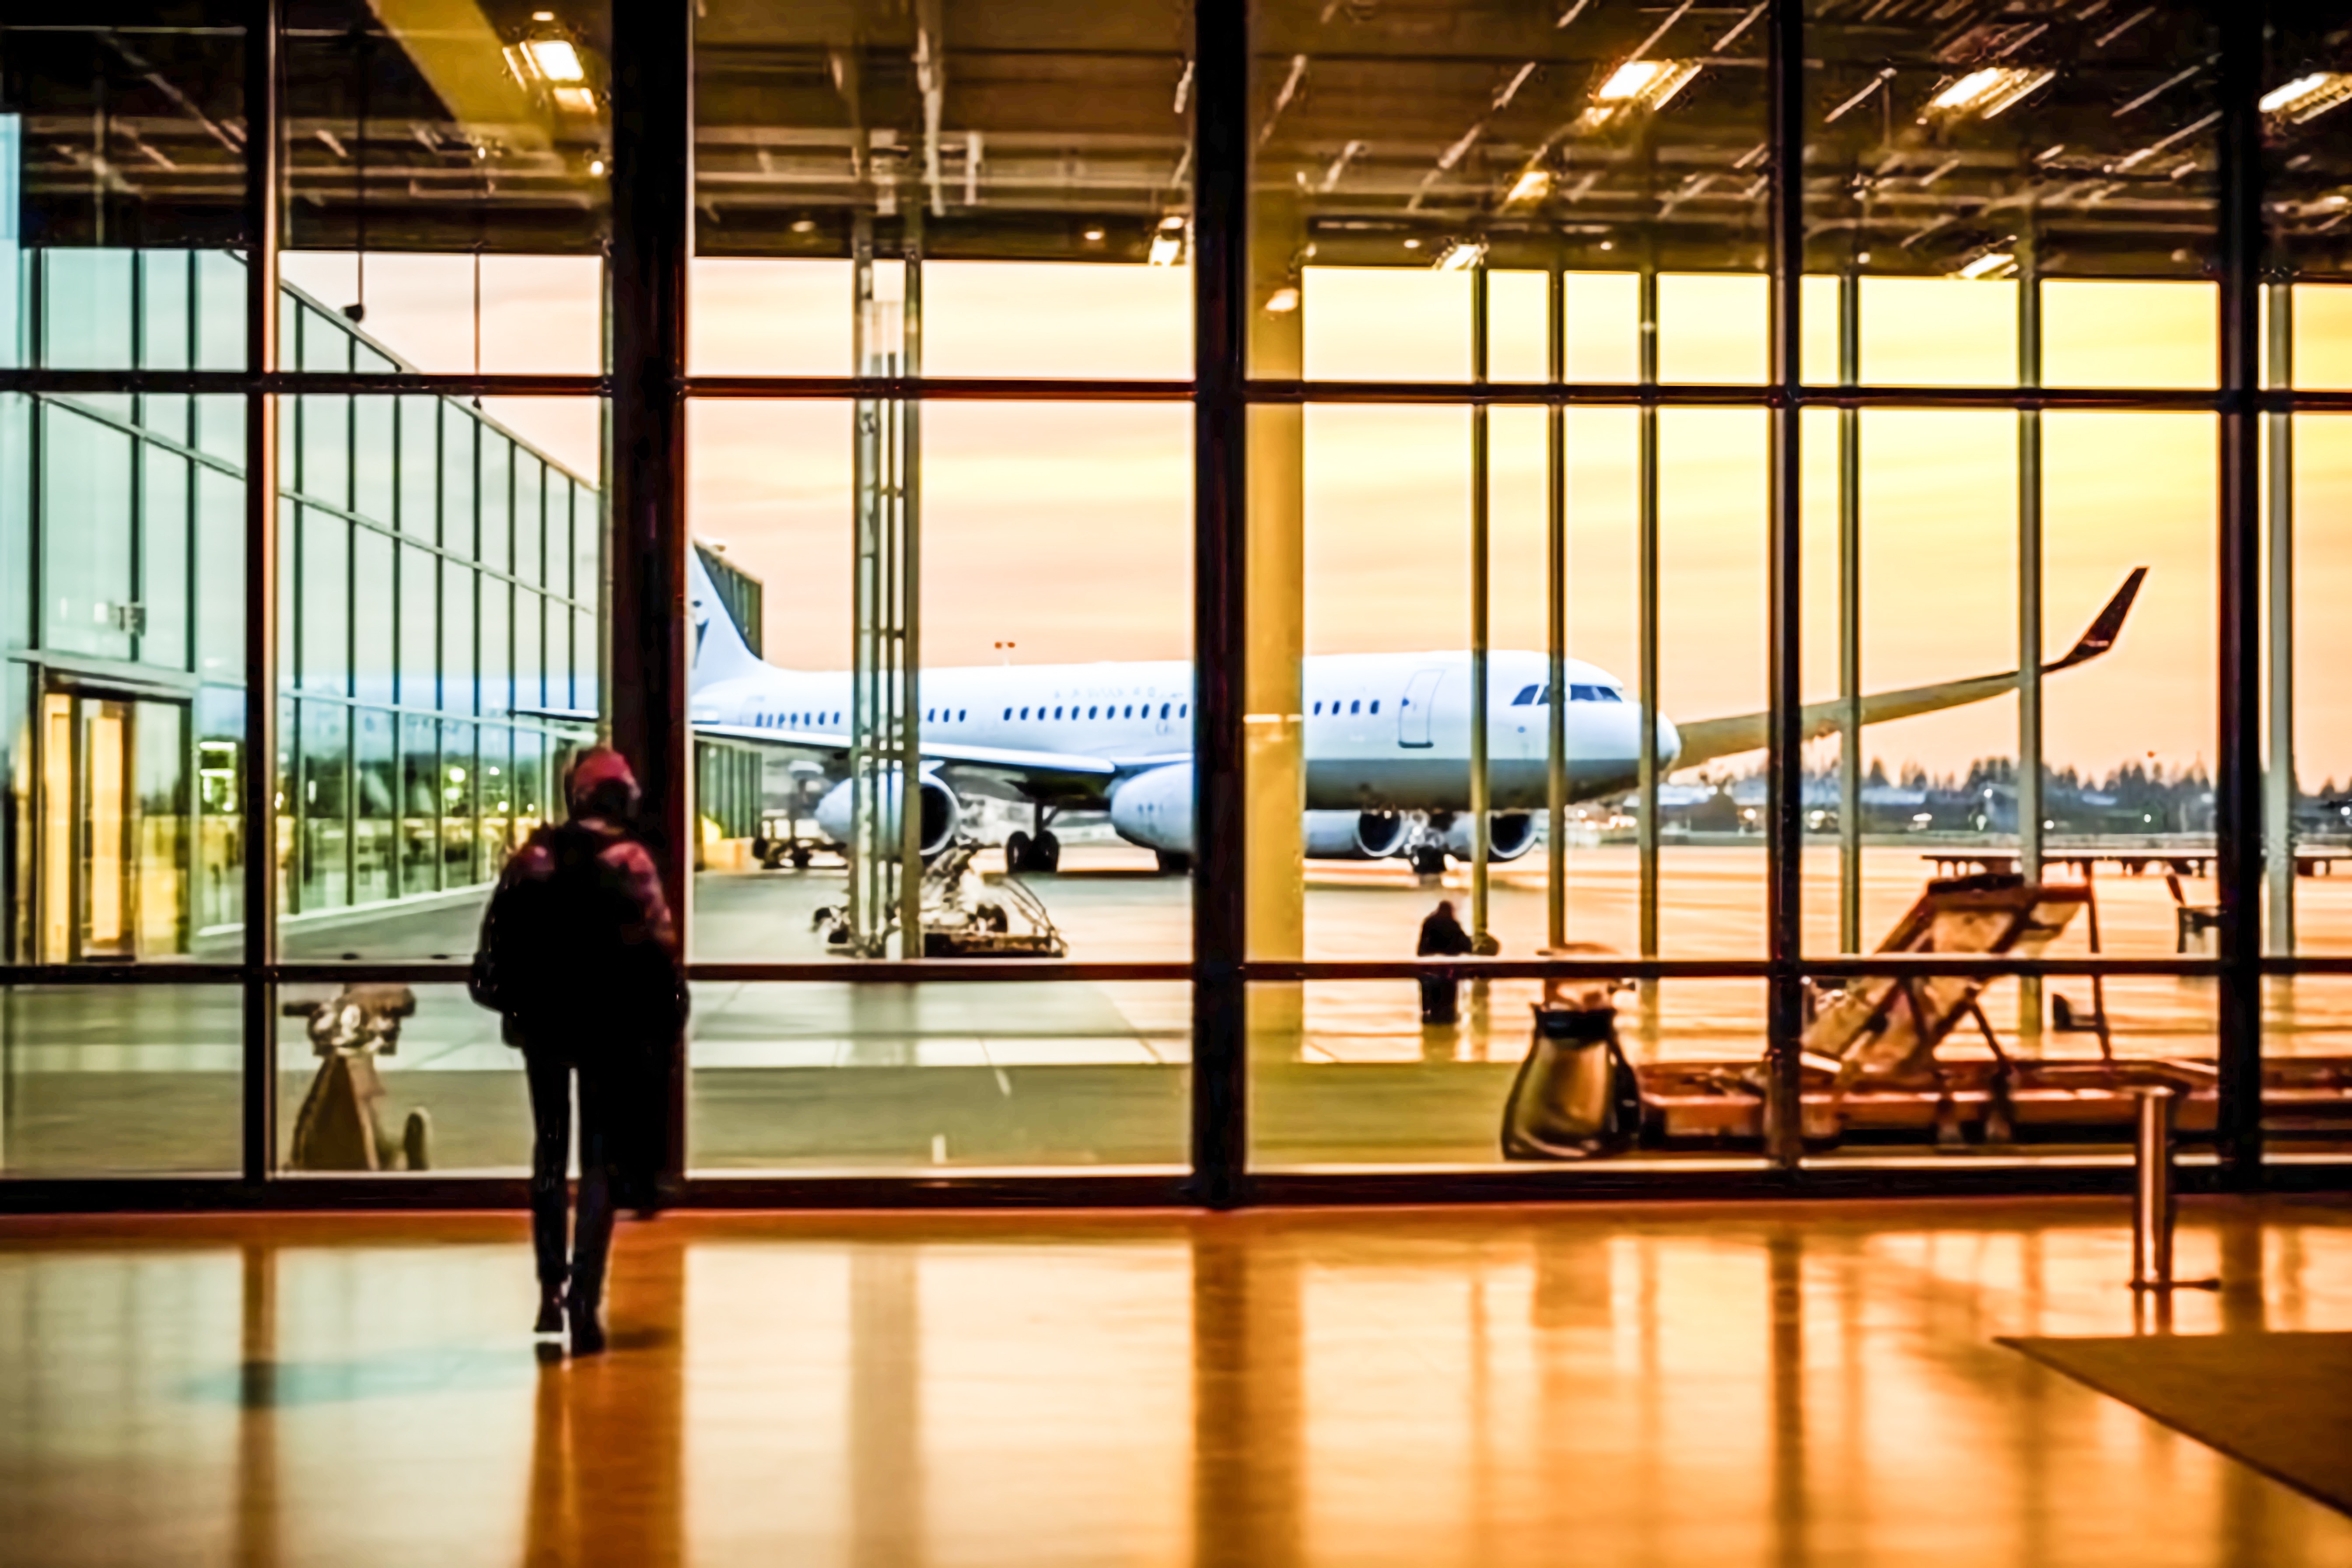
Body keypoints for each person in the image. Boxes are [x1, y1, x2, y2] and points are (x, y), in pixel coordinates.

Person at [470, 747, 684, 1356]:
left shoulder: (534, 856)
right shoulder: (630, 860)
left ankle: (549, 1291)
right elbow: (662, 945)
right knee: (598, 1162)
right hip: (608, 1028)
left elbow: (496, 937)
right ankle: (587, 1303)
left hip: (542, 1026)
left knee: (548, 1152)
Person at [1416, 899, 1476, 1024]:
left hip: (1430, 968)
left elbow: (1421, 947)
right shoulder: (1453, 924)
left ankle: (1431, 1017)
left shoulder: (1429, 922)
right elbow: (1466, 945)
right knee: (1448, 997)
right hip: (1449, 969)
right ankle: (1447, 1019)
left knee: (1431, 997)